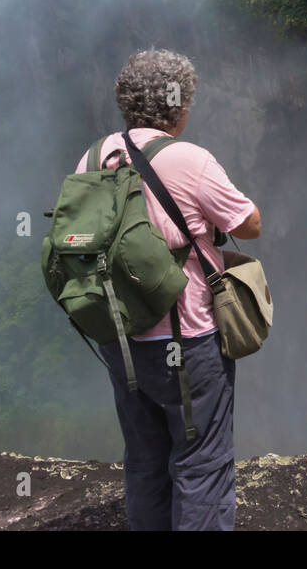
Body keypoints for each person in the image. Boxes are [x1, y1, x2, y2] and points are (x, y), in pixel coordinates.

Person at [79, 49, 262, 531]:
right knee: (202, 460)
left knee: (144, 459)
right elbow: (250, 223)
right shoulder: (189, 159)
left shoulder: (94, 156)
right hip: (188, 340)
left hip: (120, 337)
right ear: (179, 108)